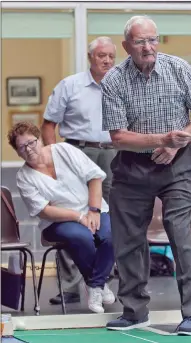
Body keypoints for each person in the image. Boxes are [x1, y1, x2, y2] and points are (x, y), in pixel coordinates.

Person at [100, 16, 191, 334]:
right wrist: (162, 139)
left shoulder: (179, 69)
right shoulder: (114, 80)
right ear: (126, 46)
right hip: (131, 167)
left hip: (178, 167)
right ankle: (135, 310)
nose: (148, 47)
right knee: (127, 240)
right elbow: (118, 137)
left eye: (153, 39)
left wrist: (177, 144)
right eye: (140, 41)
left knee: (179, 233)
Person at [8, 122, 115, 314]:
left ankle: (95, 285)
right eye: (22, 147)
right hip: (57, 222)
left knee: (111, 235)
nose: (29, 149)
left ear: (39, 139)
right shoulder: (23, 177)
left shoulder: (64, 150)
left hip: (93, 209)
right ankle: (98, 285)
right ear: (17, 152)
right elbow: (44, 211)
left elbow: (95, 177)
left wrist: (93, 210)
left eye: (31, 143)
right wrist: (79, 217)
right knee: (81, 237)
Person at [41, 37, 117, 305]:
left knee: (110, 217)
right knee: (72, 217)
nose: (107, 61)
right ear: (90, 57)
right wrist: (56, 158)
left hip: (112, 153)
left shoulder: (121, 84)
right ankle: (72, 286)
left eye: (111, 56)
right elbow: (49, 125)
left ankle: (101, 280)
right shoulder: (70, 85)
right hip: (76, 152)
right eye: (101, 56)